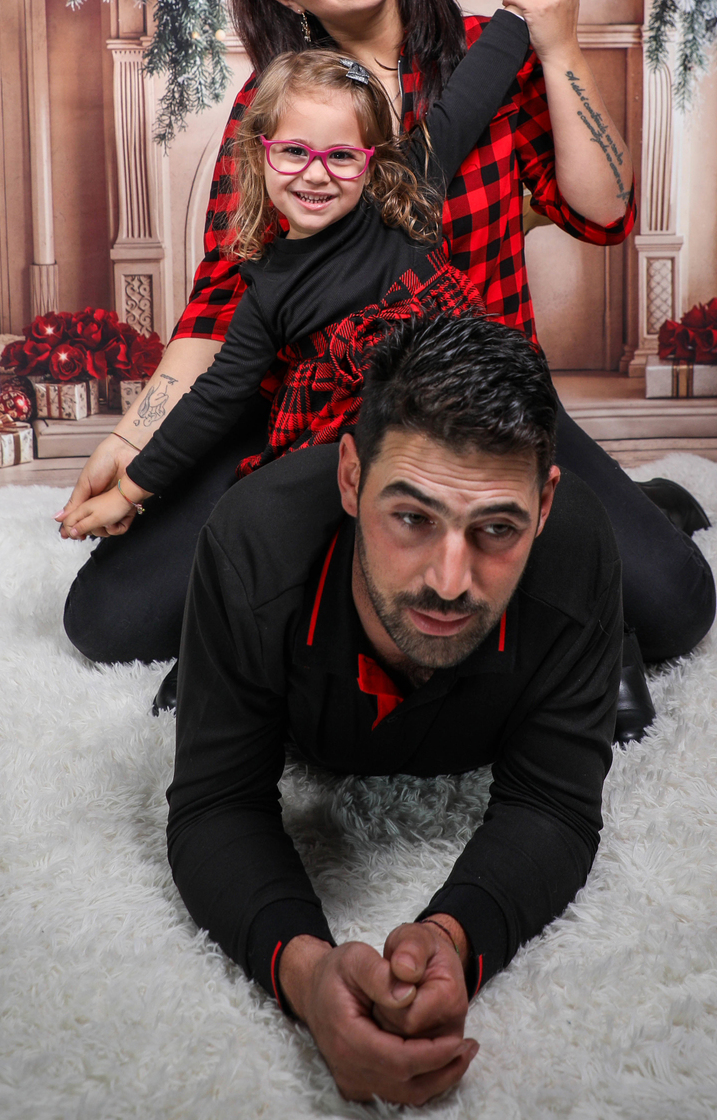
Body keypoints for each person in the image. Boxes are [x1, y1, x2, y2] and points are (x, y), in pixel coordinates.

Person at [59, 0, 715, 726]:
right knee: (106, 620)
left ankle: (615, 523)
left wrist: (559, 45)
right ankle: (285, 627)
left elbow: (605, 215)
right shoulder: (276, 105)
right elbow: (221, 303)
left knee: (675, 607)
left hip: (484, 412)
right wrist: (135, 440)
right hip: (311, 422)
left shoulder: (485, 63)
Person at [167, 311, 624, 1107]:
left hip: (579, 580)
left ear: (544, 505)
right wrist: (308, 976)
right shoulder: (250, 548)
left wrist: (454, 937)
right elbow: (216, 803)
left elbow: (554, 803)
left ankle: (657, 525)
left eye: (496, 529)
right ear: (351, 478)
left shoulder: (577, 549)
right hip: (274, 582)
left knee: (679, 604)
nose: (449, 581)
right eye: (411, 518)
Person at [60, 7, 531, 536]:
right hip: (357, 445)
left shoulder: (404, 199)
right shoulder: (268, 290)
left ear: (372, 160)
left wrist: (521, 12)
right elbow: (214, 398)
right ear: (259, 155)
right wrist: (127, 491)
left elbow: (473, 92)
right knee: (256, 513)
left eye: (342, 156)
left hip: (465, 406)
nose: (317, 174)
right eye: (293, 152)